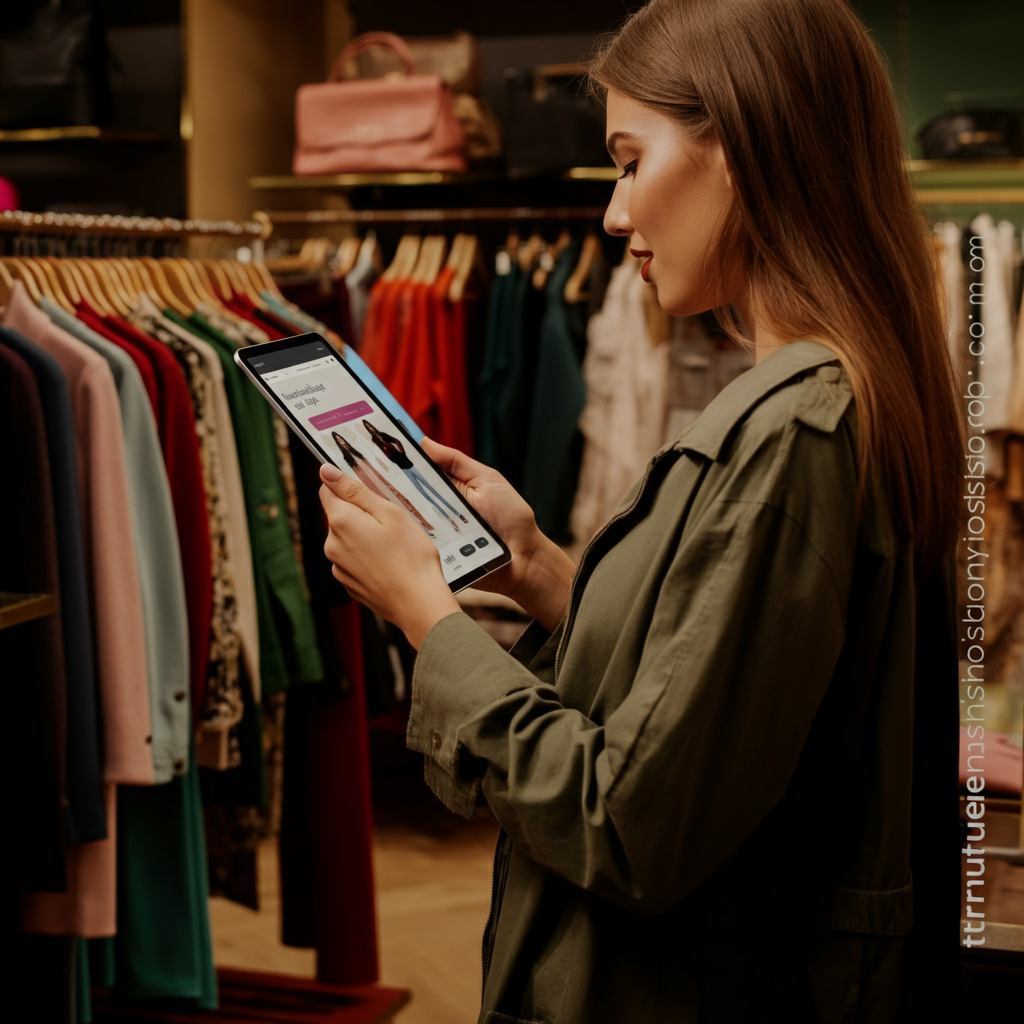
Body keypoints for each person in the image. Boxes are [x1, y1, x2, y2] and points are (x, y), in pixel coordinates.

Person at [318, 1, 964, 1020]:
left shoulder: (794, 432)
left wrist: (425, 616)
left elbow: (625, 825)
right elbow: (718, 690)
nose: (614, 215)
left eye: (629, 162)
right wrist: (536, 567)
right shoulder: (835, 394)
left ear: (740, 152)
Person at [361, 418, 469, 530]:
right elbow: (385, 453)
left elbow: (397, 442)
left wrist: (402, 453)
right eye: (368, 428)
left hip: (409, 465)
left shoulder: (383, 435)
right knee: (425, 494)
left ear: (372, 426)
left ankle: (458, 514)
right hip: (403, 469)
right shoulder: (375, 440)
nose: (371, 429)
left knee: (431, 490)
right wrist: (393, 459)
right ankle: (449, 519)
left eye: (370, 426)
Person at [330, 430, 436, 535]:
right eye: (339, 440)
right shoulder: (347, 459)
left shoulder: (357, 452)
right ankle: (411, 530)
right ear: (338, 444)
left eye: (341, 439)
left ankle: (423, 526)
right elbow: (360, 476)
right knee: (393, 506)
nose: (342, 441)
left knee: (402, 501)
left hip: (380, 480)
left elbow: (371, 467)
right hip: (373, 485)